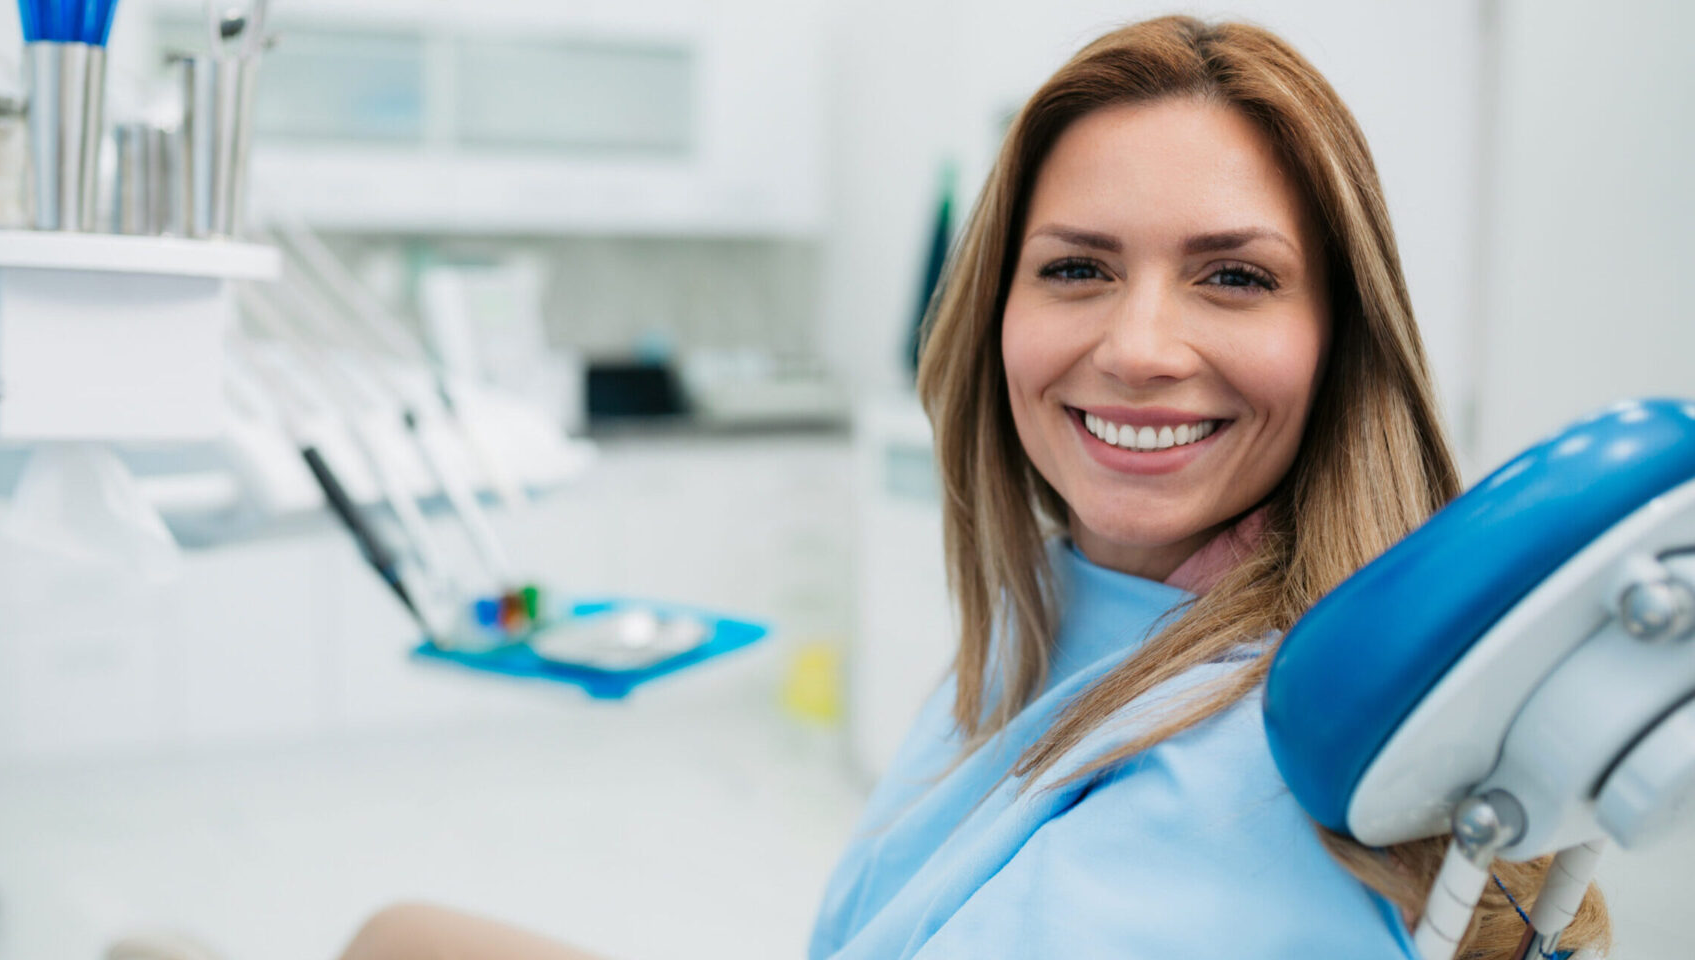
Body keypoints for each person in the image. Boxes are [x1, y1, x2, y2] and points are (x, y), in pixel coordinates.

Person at [338, 15, 1612, 959]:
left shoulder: (1251, 774)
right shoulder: (1063, 615)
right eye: (1075, 269)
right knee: (398, 934)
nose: (1139, 347)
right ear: (995, 308)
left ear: (1343, 339)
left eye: (1232, 276)